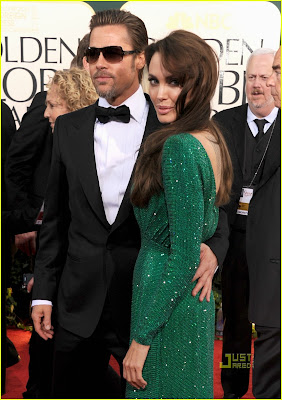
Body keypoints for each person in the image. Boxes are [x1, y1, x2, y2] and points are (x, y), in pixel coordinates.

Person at [31, 10, 229, 399]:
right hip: (78, 302)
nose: (99, 62)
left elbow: (213, 207)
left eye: (113, 53)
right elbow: (56, 218)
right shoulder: (69, 127)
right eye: (92, 53)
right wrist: (43, 292)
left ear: (140, 57)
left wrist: (213, 252)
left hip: (147, 302)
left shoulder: (174, 128)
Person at [122, 29, 233, 399]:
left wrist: (142, 338)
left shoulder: (180, 148)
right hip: (185, 302)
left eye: (174, 82)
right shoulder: (211, 137)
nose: (160, 93)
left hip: (165, 303)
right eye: (153, 81)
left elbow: (184, 256)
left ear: (198, 84)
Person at [4, 35, 92, 399]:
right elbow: (17, 164)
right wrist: (25, 223)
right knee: (46, 348)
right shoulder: (48, 107)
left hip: (84, 262)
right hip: (46, 240)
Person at [213, 48, 280, 399]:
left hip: (273, 246)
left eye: (266, 76)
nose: (257, 85)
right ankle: (236, 388)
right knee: (237, 325)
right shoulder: (223, 123)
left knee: (272, 326)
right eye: (251, 77)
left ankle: (270, 390)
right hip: (233, 243)